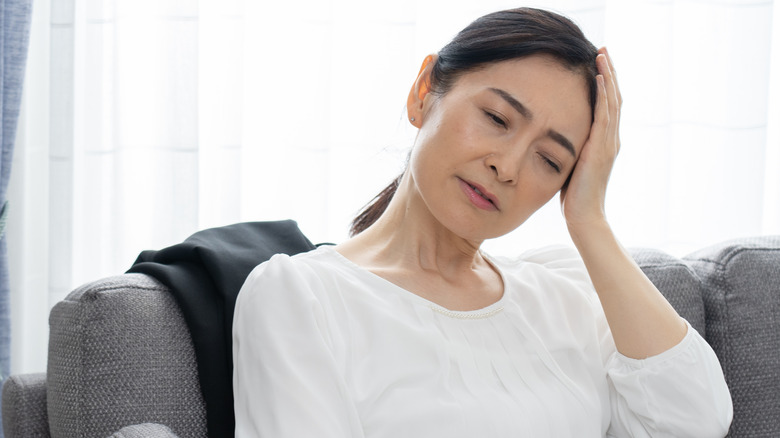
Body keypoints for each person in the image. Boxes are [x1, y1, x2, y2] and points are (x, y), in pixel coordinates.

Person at [232, 7, 733, 437]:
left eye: (550, 161)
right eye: (496, 118)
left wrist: (589, 220)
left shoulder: (564, 296)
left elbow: (694, 422)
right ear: (423, 90)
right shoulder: (304, 296)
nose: (508, 166)